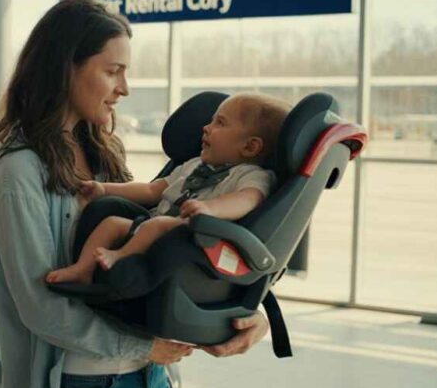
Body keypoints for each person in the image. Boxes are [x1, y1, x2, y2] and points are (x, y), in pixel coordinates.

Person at [0, 0, 271, 388]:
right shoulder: (18, 176)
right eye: (113, 71)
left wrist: (245, 314)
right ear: (64, 69)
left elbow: (170, 250)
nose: (125, 88)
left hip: (149, 385)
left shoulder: (102, 157)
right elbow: (40, 307)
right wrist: (144, 349)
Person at [45, 93, 291, 285]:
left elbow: (248, 200)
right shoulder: (193, 165)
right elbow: (152, 190)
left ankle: (120, 257)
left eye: (220, 123)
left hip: (191, 236)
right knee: (111, 222)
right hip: (155, 223)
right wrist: (104, 189)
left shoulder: (252, 176)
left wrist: (210, 209)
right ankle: (83, 269)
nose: (206, 127)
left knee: (158, 224)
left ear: (250, 147)